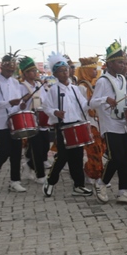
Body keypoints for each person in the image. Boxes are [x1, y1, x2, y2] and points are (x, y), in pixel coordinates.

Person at [90, 41, 127, 204]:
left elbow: (124, 102)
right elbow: (92, 102)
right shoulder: (103, 81)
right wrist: (105, 99)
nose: (123, 65)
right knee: (115, 157)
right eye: (119, 62)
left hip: (124, 124)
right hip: (110, 124)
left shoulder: (122, 80)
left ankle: (124, 191)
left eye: (123, 62)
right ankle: (101, 183)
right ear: (110, 64)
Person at [41, 52, 93, 199]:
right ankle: (50, 181)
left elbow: (83, 105)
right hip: (63, 127)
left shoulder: (75, 89)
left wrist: (91, 102)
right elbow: (46, 107)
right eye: (61, 71)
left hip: (77, 124)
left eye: (66, 70)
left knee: (77, 157)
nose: (65, 73)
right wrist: (55, 112)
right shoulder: (54, 90)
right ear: (55, 74)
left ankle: (78, 185)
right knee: (62, 156)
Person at [0, 49, 29, 193]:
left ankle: (15, 181)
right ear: (1, 67)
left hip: (15, 120)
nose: (10, 73)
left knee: (17, 151)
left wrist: (20, 105)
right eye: (8, 70)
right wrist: (8, 103)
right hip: (1, 121)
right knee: (5, 150)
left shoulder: (16, 82)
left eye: (12, 70)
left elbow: (17, 102)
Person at [18, 56, 48, 184]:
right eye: (32, 71)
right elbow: (18, 103)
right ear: (25, 73)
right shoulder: (21, 86)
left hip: (42, 119)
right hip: (30, 119)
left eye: (35, 70)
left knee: (45, 146)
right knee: (37, 148)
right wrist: (23, 102)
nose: (35, 73)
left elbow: (45, 100)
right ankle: (40, 175)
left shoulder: (39, 85)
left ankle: (28, 165)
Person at [75, 56, 105, 186]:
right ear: (86, 71)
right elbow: (81, 107)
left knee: (100, 149)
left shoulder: (91, 85)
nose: (95, 72)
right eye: (93, 69)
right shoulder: (81, 87)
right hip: (87, 123)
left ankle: (90, 171)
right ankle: (94, 175)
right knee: (94, 150)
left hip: (95, 122)